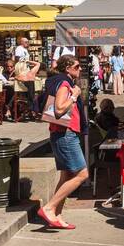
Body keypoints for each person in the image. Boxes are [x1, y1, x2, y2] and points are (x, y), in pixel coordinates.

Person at [37, 55, 87, 229]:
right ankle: (49, 208)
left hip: (60, 133)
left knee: (66, 175)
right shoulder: (65, 84)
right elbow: (59, 109)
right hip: (66, 134)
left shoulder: (59, 82)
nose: (80, 69)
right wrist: (74, 97)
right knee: (82, 174)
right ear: (67, 68)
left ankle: (56, 216)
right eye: (77, 66)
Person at [13, 41, 40, 115]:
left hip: (20, 96)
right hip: (30, 95)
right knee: (37, 93)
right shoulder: (30, 74)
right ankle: (33, 109)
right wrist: (28, 61)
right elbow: (38, 64)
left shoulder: (17, 76)